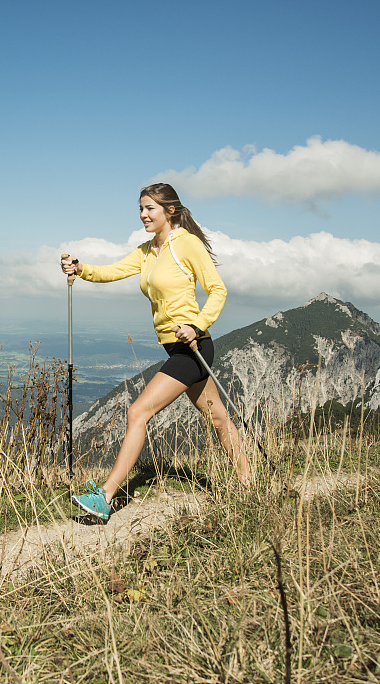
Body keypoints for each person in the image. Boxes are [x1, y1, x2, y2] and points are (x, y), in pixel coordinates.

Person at [61, 182, 252, 522]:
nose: (143, 214)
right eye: (141, 208)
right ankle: (252, 487)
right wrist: (80, 269)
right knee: (219, 418)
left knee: (137, 413)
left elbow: (217, 290)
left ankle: (105, 498)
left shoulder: (187, 244)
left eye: (150, 208)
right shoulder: (147, 250)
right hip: (175, 347)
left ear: (170, 211)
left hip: (193, 347)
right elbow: (112, 271)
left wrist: (197, 324)